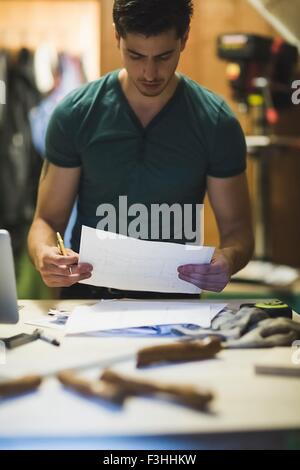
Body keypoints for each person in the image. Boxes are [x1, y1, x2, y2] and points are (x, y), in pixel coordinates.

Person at [28, 0, 254, 299]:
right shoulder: (76, 114)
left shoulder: (215, 122)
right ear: (117, 37)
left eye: (164, 56)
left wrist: (228, 260)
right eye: (135, 55)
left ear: (184, 38)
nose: (149, 72)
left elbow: (238, 232)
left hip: (176, 303)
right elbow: (46, 221)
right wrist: (45, 254)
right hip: (88, 300)